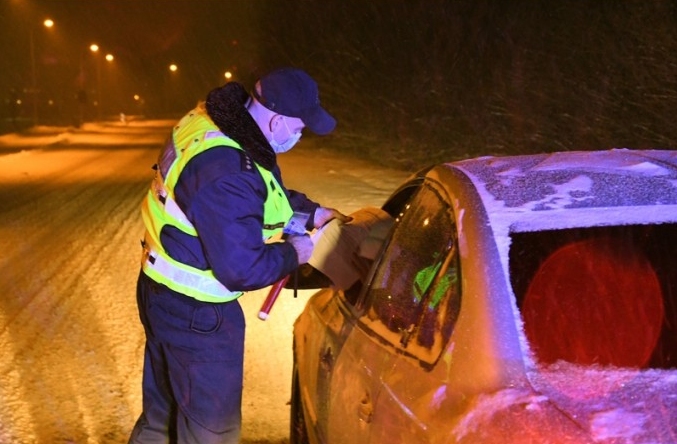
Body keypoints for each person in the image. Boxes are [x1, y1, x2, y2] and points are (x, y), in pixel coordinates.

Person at [128, 67, 350, 444]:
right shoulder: (229, 169)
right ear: (278, 120)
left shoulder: (216, 129)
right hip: (198, 316)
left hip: (161, 292)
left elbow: (257, 197)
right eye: (299, 127)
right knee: (210, 432)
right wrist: (294, 252)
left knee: (162, 420)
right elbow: (242, 267)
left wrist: (311, 212)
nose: (300, 135)